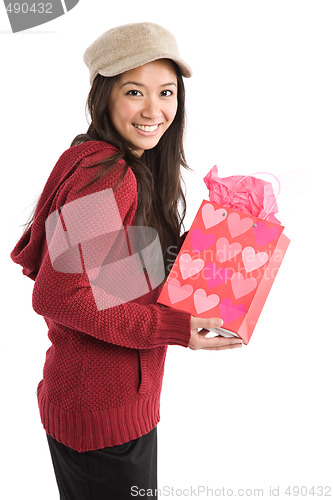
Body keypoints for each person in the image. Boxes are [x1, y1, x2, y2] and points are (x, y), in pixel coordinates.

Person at [11, 22, 242, 500]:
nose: (154, 110)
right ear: (104, 96)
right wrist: (176, 329)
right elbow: (59, 295)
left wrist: (210, 242)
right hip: (101, 422)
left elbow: (112, 279)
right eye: (135, 91)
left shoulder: (116, 165)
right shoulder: (107, 174)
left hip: (105, 409)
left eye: (167, 92)